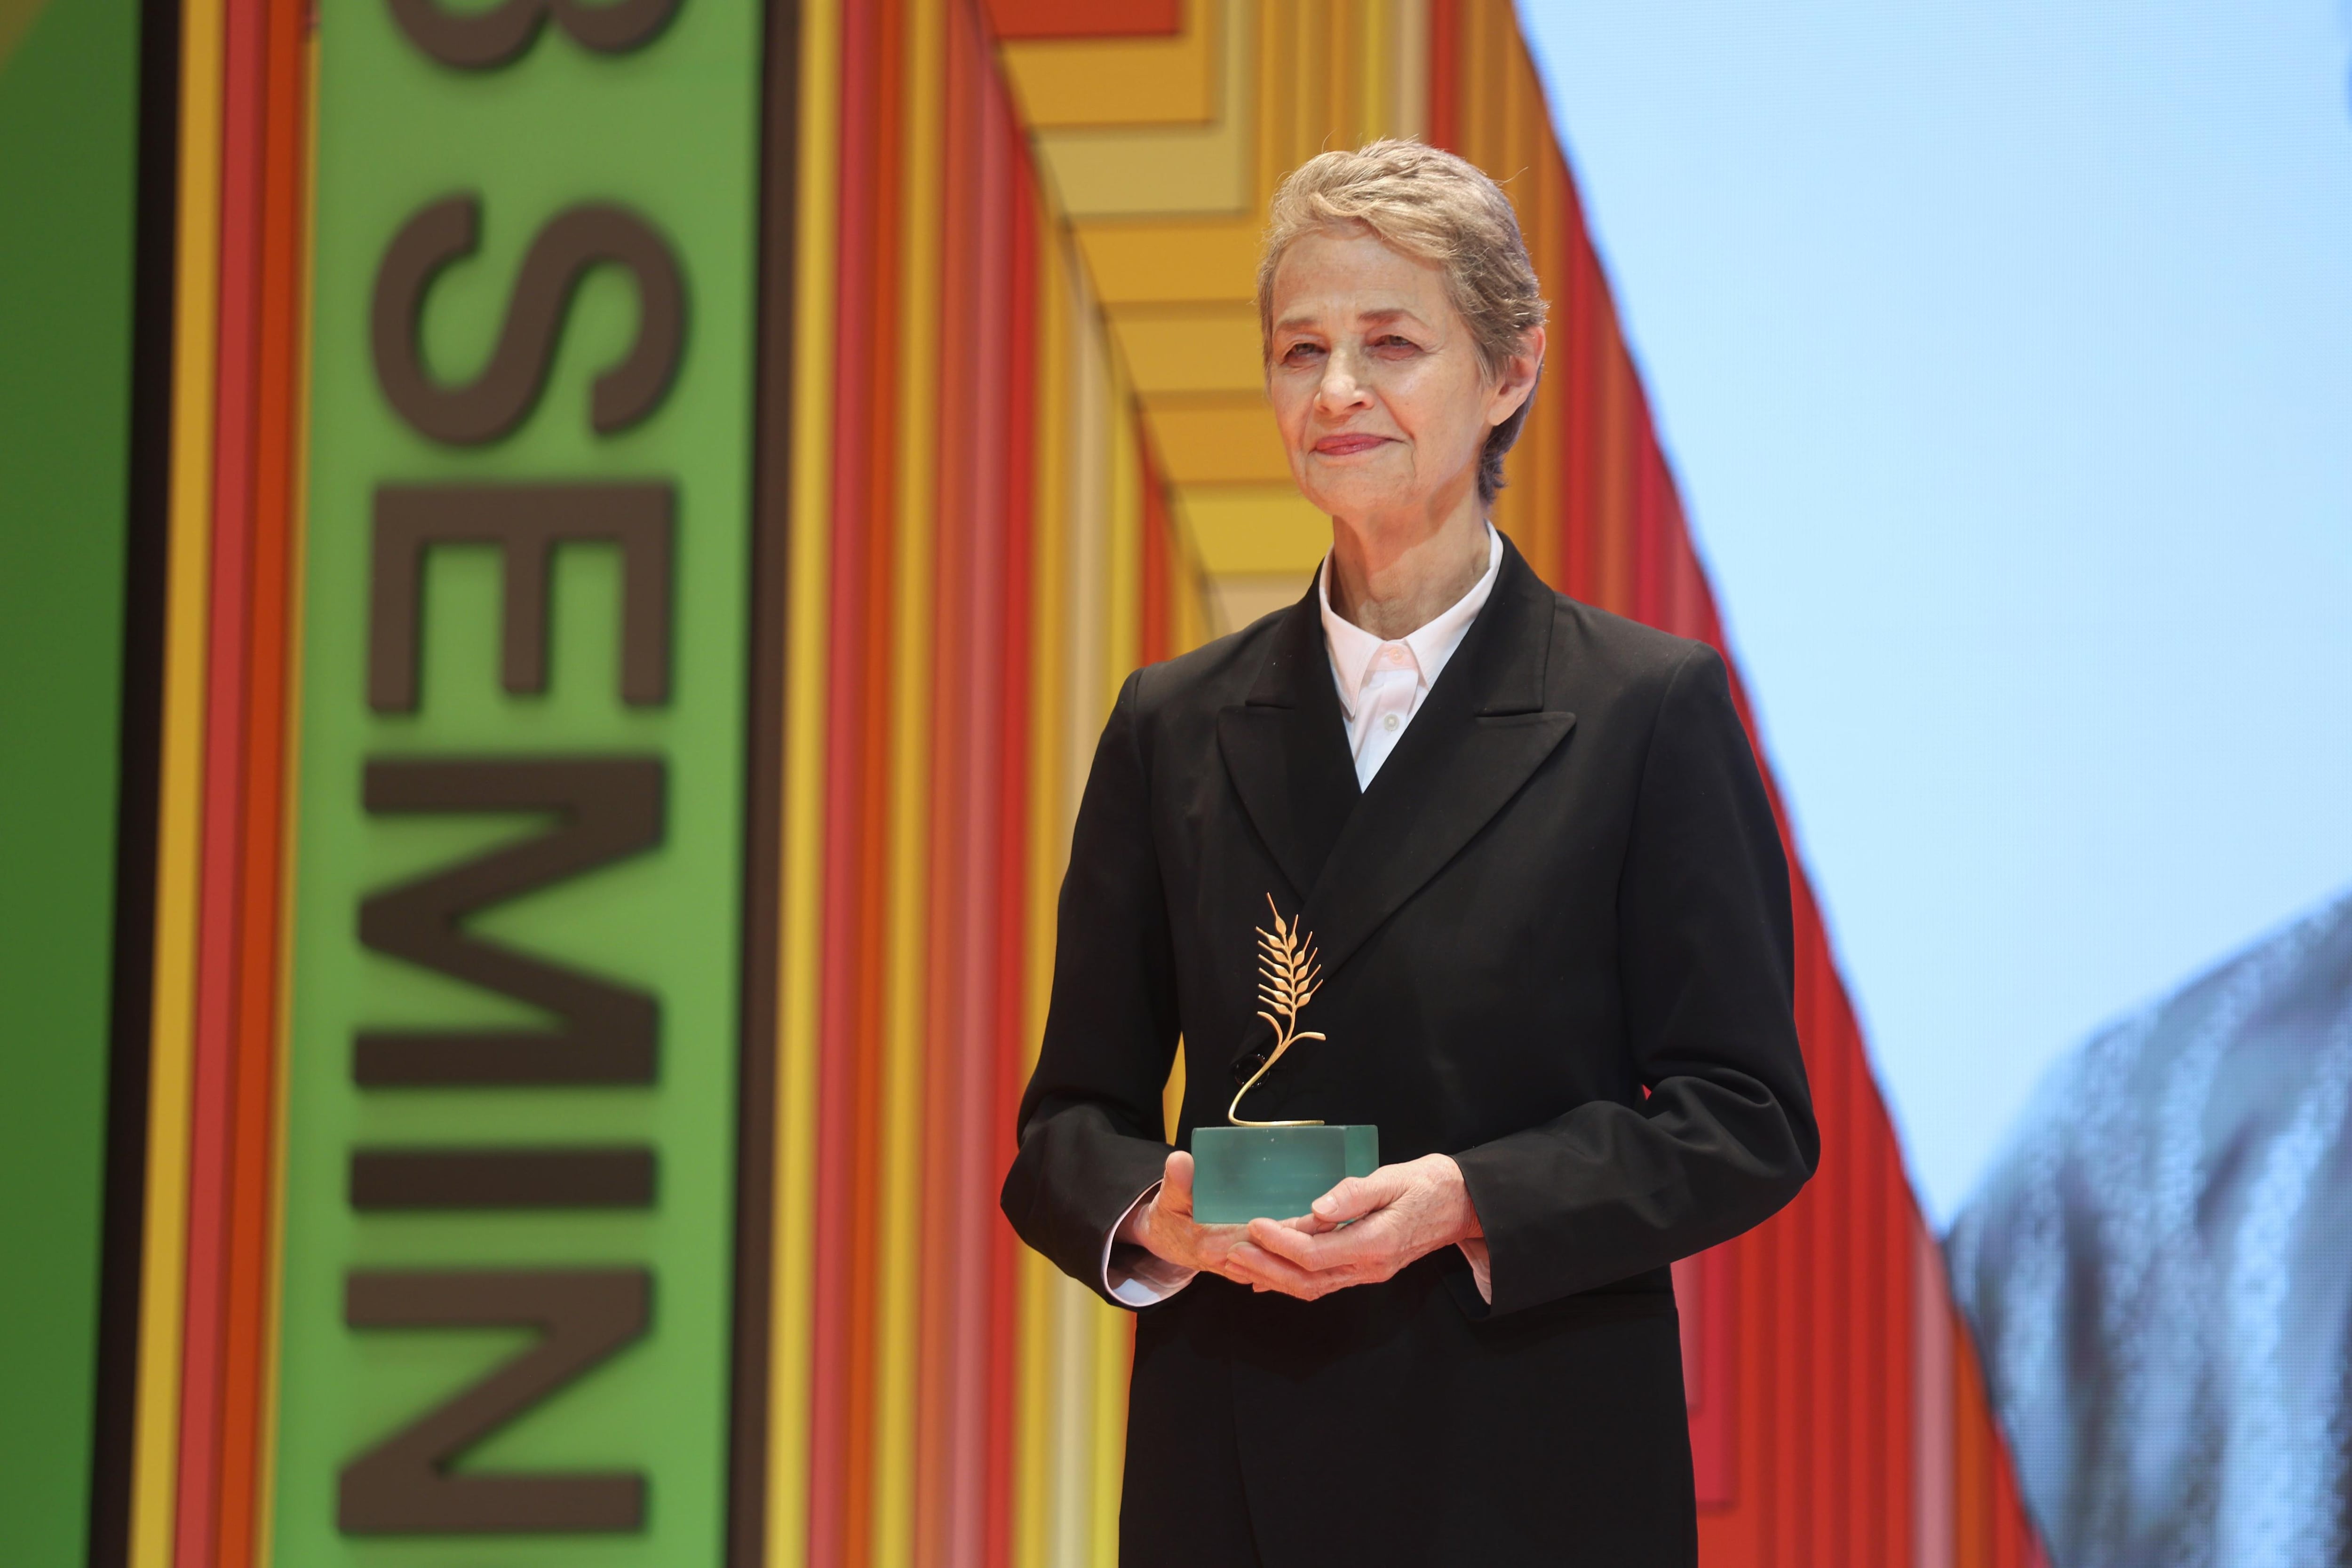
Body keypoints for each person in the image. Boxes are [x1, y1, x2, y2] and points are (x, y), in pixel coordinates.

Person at [1000, 139, 1818, 1567]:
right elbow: (1066, 1132)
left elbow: (1745, 1113)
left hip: (1539, 1465)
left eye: (1391, 343)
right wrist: (1162, 1214)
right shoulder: (1173, 724)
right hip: (1233, 1466)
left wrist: (1468, 1199)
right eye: (1299, 349)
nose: (1335, 392)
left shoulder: (1646, 710)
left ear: (1512, 371)